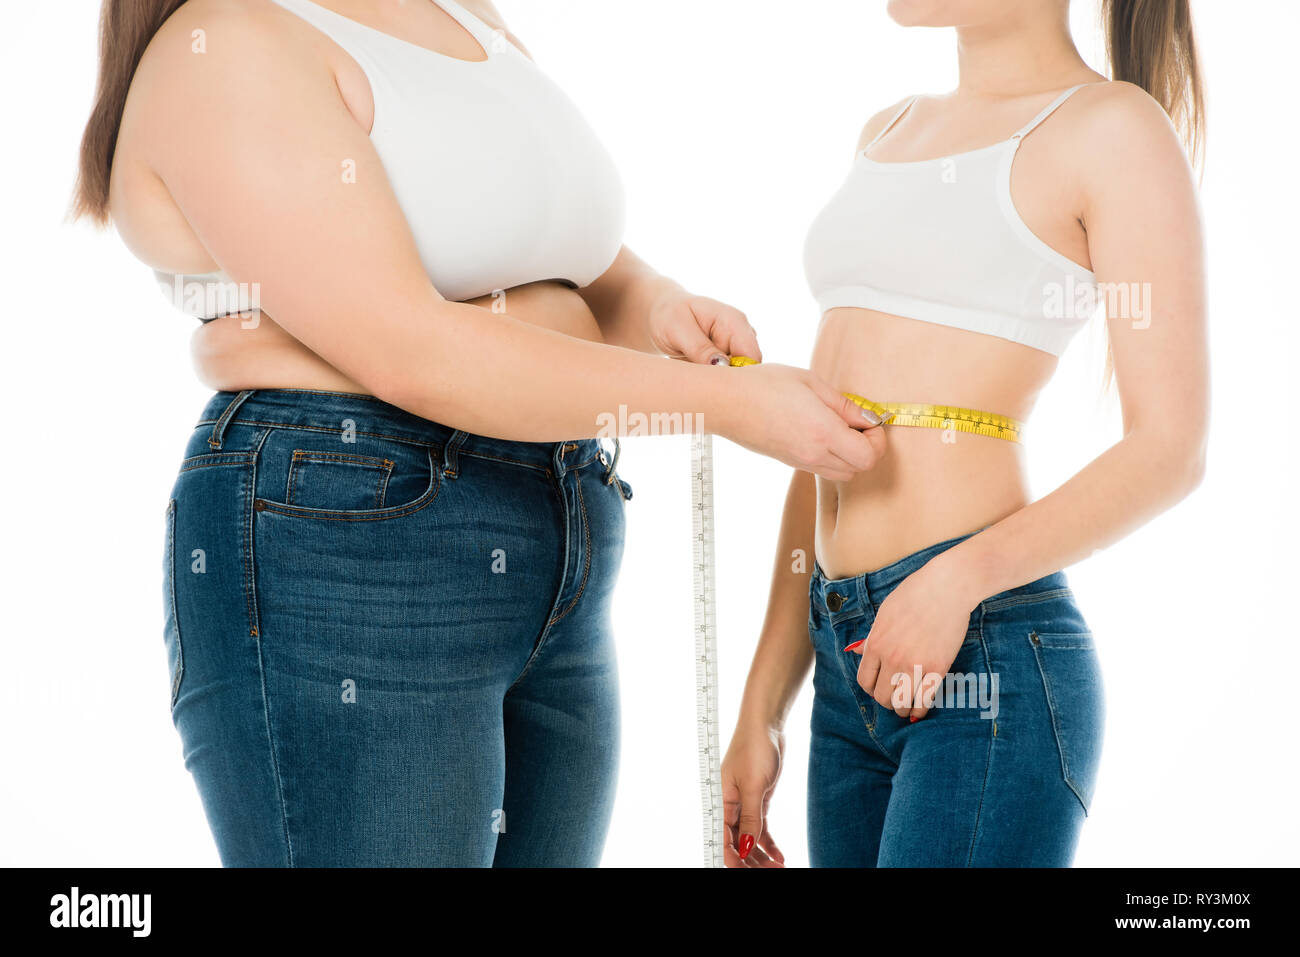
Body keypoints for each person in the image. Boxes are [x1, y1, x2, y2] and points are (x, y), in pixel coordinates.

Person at [72, 0, 886, 866]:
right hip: (355, 533)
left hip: (556, 518)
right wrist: (728, 406)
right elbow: (410, 348)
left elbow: (563, 253)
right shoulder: (226, 42)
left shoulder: (460, 13)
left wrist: (655, 305)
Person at [722, 0, 1207, 867]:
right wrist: (764, 705)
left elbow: (1171, 447)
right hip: (847, 655)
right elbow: (826, 439)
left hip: (985, 645)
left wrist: (953, 584)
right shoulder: (889, 130)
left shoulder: (1112, 129)